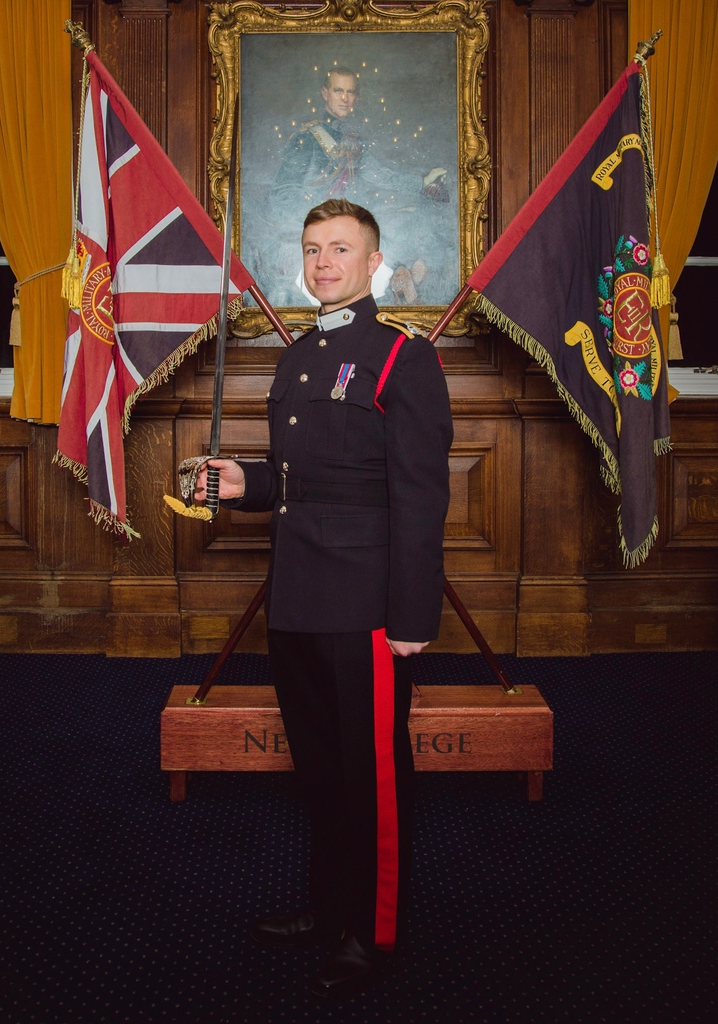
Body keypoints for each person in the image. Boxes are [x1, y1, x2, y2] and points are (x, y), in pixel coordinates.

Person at [194, 199, 453, 999]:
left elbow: (418, 497)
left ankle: (373, 935)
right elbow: (305, 481)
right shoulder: (299, 356)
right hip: (298, 597)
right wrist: (247, 484)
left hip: (366, 607)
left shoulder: (399, 358)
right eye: (311, 249)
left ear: (374, 262)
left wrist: (411, 620)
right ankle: (326, 906)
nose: (322, 262)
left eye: (340, 249)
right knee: (317, 771)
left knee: (370, 778)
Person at [248, 68, 451, 307]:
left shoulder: (351, 139)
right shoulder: (307, 139)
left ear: (356, 97)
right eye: (338, 91)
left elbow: (379, 175)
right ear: (325, 93)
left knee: (414, 224)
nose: (344, 98)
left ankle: (401, 290)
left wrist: (422, 182)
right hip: (315, 229)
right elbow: (282, 193)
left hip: (350, 227)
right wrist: (318, 220)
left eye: (350, 92)